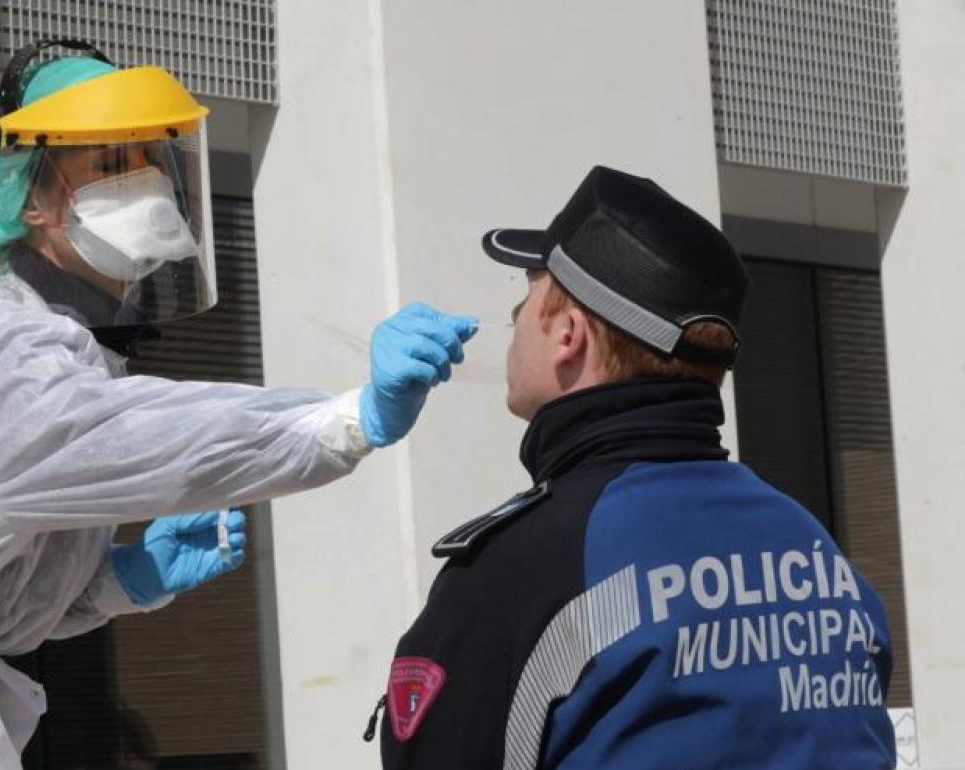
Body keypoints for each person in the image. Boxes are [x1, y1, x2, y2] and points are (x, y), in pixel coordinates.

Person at [0, 40, 479, 769]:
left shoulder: (49, 336)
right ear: (33, 197)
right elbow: (119, 437)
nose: (145, 181)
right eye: (110, 163)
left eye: (151, 158)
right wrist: (340, 421)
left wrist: (116, 580)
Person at [371, 166, 897, 769]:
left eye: (527, 298)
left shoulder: (522, 571)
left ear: (568, 336)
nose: (513, 316)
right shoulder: (813, 546)